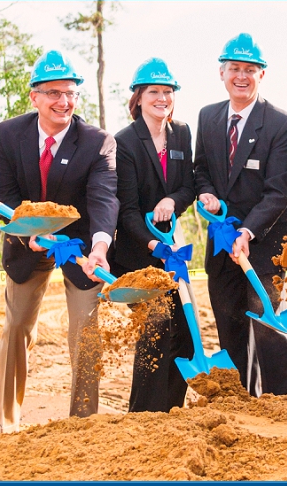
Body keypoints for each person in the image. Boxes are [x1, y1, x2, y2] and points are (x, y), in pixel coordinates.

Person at [0, 50, 118, 432]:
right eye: (53, 93)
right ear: (34, 97)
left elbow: (104, 198)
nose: (63, 101)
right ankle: (7, 423)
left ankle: (82, 424)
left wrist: (99, 247)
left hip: (79, 248)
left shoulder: (98, 142)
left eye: (70, 93)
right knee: (17, 327)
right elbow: (5, 196)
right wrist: (29, 232)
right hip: (26, 242)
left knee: (85, 329)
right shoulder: (10, 133)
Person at [193, 33, 287, 397]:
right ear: (221, 73)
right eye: (234, 69)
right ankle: (241, 404)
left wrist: (248, 231)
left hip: (264, 242)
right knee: (229, 327)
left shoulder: (281, 125)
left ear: (261, 75)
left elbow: (278, 193)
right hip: (222, 243)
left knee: (267, 328)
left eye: (250, 69)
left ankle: (281, 403)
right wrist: (206, 191)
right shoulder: (208, 117)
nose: (242, 76)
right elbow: (201, 168)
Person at [109, 58, 196, 412]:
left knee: (187, 338)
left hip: (171, 253)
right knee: (156, 333)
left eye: (167, 91)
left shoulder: (182, 133)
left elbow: (188, 187)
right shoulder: (125, 141)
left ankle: (170, 411)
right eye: (154, 92)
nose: (162, 98)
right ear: (139, 98)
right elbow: (126, 210)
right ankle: (142, 415)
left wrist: (172, 200)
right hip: (138, 256)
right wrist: (153, 244)